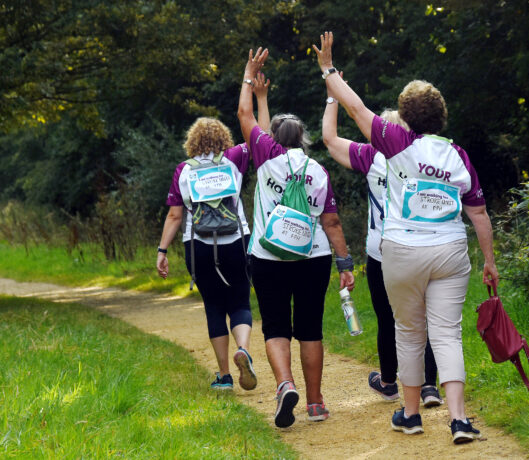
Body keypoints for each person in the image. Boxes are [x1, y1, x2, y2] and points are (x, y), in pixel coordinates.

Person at [314, 32, 499, 444]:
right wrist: (489, 260)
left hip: (401, 251)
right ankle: (459, 420)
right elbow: (479, 213)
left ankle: (411, 415)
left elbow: (355, 106)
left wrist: (329, 71)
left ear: (406, 116)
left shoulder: (396, 142)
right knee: (447, 334)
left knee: (409, 332)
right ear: (441, 116)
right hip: (450, 250)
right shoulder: (458, 155)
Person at [238, 47, 355, 428]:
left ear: (271, 139)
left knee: (275, 325)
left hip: (269, 258)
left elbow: (245, 118)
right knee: (310, 327)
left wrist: (250, 81)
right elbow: (332, 222)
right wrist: (344, 263)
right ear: (303, 139)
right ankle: (316, 402)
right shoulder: (317, 170)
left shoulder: (265, 157)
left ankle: (285, 384)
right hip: (314, 258)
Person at [322, 98, 443, 407]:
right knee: (424, 318)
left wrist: (332, 97)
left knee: (388, 319)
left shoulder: (370, 156)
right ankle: (429, 386)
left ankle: (389, 382)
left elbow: (330, 140)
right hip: (421, 246)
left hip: (381, 252)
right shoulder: (424, 158)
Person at [156, 73, 270, 391]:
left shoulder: (184, 169)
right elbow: (262, 135)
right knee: (240, 301)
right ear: (223, 139)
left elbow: (175, 214)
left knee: (214, 306)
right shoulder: (234, 158)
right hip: (236, 240)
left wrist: (162, 251)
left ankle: (224, 376)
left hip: (199, 244)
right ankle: (243, 349)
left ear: (192, 142)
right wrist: (261, 98)